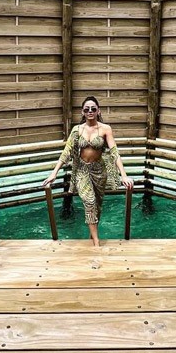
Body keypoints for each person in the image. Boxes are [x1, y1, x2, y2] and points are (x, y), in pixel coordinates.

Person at [42, 96, 134, 246]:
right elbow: (67, 152)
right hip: (82, 171)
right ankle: (96, 243)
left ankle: (92, 235)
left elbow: (114, 152)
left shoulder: (105, 129)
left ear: (98, 111)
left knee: (97, 205)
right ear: (82, 112)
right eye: (87, 109)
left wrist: (124, 175)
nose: (90, 111)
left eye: (93, 109)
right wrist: (54, 173)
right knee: (89, 202)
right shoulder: (77, 130)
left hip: (99, 171)